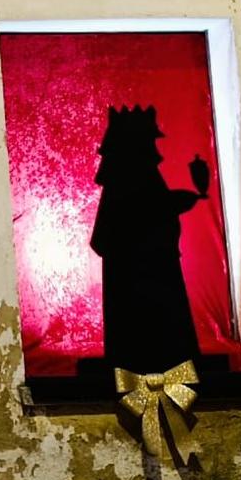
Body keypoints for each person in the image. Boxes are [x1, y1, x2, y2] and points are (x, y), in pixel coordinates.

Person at [89, 105, 210, 374]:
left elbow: (146, 209)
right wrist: (170, 204)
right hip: (144, 272)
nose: (154, 149)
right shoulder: (129, 181)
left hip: (154, 266)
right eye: (148, 142)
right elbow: (137, 216)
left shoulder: (136, 178)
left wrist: (170, 204)